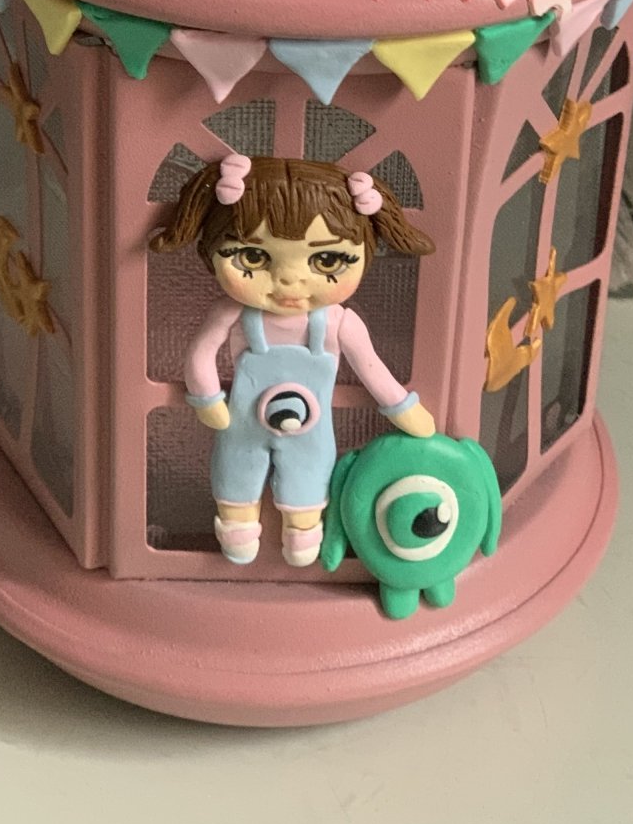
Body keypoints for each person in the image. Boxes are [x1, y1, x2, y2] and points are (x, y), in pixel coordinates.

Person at [149, 153, 436, 567]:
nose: (289, 279)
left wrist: (402, 408)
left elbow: (373, 369)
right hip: (240, 426)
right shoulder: (233, 313)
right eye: (253, 257)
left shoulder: (338, 323)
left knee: (307, 488)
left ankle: (303, 534)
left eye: (327, 260)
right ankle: (236, 528)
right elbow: (201, 353)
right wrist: (207, 398)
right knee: (235, 481)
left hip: (311, 435)